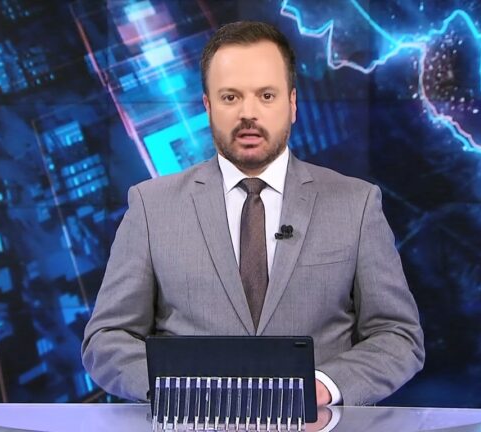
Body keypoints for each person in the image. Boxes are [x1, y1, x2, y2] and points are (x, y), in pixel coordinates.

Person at [82, 21, 424, 407]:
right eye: (230, 97)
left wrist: (324, 387)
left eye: (266, 95)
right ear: (208, 107)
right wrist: (178, 390)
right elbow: (106, 339)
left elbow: (398, 336)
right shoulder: (151, 206)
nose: (248, 113)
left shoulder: (356, 204)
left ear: (292, 105)